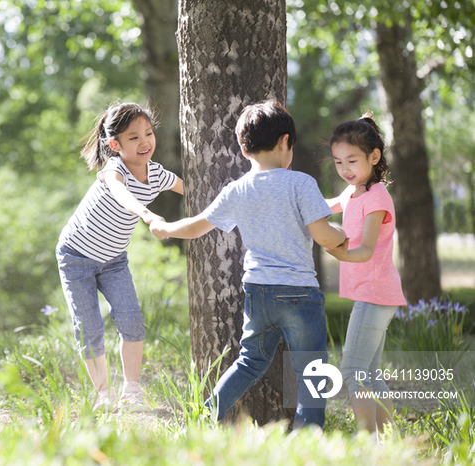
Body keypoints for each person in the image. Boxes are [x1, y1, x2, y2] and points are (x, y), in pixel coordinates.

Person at [150, 100, 346, 429]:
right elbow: (324, 236)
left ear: (244, 150)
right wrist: (343, 235)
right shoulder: (301, 183)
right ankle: (308, 436)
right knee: (311, 369)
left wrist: (165, 228)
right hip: (299, 295)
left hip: (258, 294)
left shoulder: (237, 190)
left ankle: (204, 413)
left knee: (250, 361)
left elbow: (197, 225)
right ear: (286, 142)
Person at [56, 102, 184, 412]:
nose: (145, 142)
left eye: (149, 133)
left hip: (113, 260)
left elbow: (191, 189)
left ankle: (132, 389)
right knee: (89, 327)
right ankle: (103, 394)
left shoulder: (157, 174)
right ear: (115, 145)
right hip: (76, 256)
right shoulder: (114, 169)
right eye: (134, 137)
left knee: (132, 322)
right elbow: (120, 192)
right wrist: (147, 214)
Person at [324, 113, 406, 437]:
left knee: (353, 369)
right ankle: (389, 443)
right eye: (338, 161)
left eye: (352, 160)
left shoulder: (377, 198)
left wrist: (337, 251)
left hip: (376, 292)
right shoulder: (353, 192)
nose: (345, 169)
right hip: (373, 293)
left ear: (374, 157)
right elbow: (325, 206)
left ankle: (367, 443)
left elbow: (366, 250)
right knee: (370, 373)